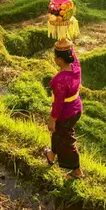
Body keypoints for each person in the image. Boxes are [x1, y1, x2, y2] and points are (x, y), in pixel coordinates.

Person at [43, 40, 84, 179]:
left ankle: (76, 171)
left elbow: (58, 105)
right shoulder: (76, 67)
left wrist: (52, 120)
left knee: (67, 140)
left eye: (55, 57)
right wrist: (65, 40)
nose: (54, 59)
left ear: (59, 60)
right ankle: (51, 155)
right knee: (58, 133)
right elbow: (74, 54)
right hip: (76, 109)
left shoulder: (61, 80)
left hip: (65, 114)